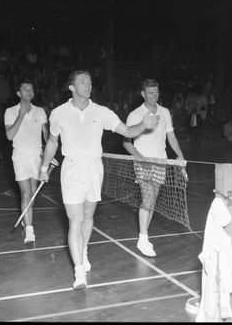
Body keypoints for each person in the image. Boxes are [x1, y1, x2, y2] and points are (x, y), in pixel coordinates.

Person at [39, 70, 159, 290]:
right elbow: (52, 143)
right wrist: (44, 167)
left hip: (95, 168)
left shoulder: (102, 112)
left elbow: (127, 130)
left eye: (90, 82)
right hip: (72, 169)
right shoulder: (58, 113)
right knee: (75, 220)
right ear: (72, 88)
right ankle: (78, 273)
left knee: (88, 216)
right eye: (82, 82)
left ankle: (83, 251)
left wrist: (144, 125)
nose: (88, 85)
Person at [122, 78, 185, 257]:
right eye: (150, 92)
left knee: (152, 200)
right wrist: (141, 159)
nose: (154, 95)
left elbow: (171, 137)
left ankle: (144, 236)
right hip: (143, 162)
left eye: (156, 92)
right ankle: (143, 238)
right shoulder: (135, 115)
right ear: (143, 94)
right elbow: (126, 143)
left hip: (161, 161)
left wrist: (179, 155)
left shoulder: (165, 112)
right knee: (148, 198)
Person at [4, 82, 49, 244]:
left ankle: (26, 217)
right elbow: (9, 136)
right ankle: (30, 230)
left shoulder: (40, 111)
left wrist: (49, 155)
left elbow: (46, 135)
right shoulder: (10, 112)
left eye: (31, 89)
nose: (29, 91)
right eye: (25, 89)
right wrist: (21, 115)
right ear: (18, 93)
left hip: (36, 156)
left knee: (32, 192)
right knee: (26, 193)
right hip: (20, 156)